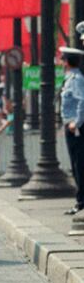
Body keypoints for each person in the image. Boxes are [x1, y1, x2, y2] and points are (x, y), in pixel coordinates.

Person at [59, 46, 84, 215]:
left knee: (79, 164)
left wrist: (77, 122)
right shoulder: (70, 78)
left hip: (77, 128)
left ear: (67, 62)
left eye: (62, 59)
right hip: (71, 126)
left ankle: (81, 201)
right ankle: (80, 200)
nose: (61, 62)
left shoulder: (76, 79)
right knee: (76, 165)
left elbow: (82, 101)